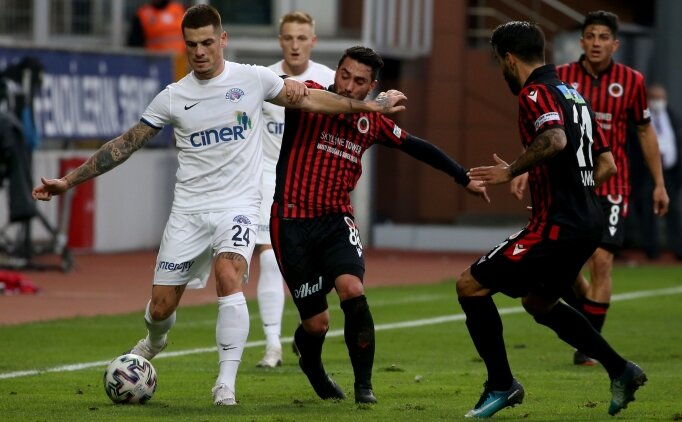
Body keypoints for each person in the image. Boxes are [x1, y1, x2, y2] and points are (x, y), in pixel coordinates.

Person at [31, 4, 406, 407]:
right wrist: (68, 181)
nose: (200, 51)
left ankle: (225, 385)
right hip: (189, 212)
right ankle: (154, 341)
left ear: (222, 39)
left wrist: (367, 106)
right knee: (160, 307)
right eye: (192, 44)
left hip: (238, 206)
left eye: (207, 42)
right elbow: (124, 144)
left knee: (229, 276)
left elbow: (314, 101)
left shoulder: (253, 79)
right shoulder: (173, 97)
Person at [270, 45, 489, 404]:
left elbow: (417, 146)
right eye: (344, 75)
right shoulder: (310, 96)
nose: (348, 85)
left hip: (336, 220)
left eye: (359, 81)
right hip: (292, 223)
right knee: (317, 324)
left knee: (352, 289)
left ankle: (364, 387)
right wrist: (284, 83)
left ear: (371, 86)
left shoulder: (370, 122)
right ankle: (312, 364)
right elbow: (280, 89)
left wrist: (462, 176)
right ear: (336, 71)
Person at [460, 21, 645, 418]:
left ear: (510, 59)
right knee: (539, 302)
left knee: (470, 286)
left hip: (560, 224)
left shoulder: (534, 93)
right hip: (587, 219)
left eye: (499, 62)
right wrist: (569, 194)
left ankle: (501, 384)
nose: (502, 70)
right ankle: (621, 370)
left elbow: (556, 139)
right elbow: (607, 165)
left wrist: (511, 170)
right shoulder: (573, 94)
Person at [512, 11, 670, 365]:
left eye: (603, 37)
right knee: (567, 265)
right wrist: (523, 167)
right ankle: (588, 322)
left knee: (601, 260)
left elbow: (645, 131)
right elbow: (541, 126)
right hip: (567, 183)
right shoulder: (560, 78)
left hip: (612, 182)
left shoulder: (632, 81)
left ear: (615, 44)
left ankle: (589, 348)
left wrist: (659, 183)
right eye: (591, 36)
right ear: (581, 41)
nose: (596, 43)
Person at [255, 11, 336, 369]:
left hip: (313, 185)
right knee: (269, 258)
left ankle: (307, 331)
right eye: (289, 37)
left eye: (302, 38)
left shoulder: (329, 80)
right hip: (269, 180)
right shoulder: (265, 80)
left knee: (320, 267)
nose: (295, 45)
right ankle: (272, 345)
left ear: (312, 41)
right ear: (280, 41)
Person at [632, 84, 682, 260]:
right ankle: (651, 251)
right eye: (653, 98)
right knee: (648, 212)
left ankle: (678, 249)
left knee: (673, 212)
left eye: (660, 98)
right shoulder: (642, 119)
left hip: (670, 173)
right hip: (647, 174)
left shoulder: (673, 117)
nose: (657, 102)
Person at [127, 0, 187, 81]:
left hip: (180, 67)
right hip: (155, 69)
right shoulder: (143, 14)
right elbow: (133, 47)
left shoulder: (181, 10)